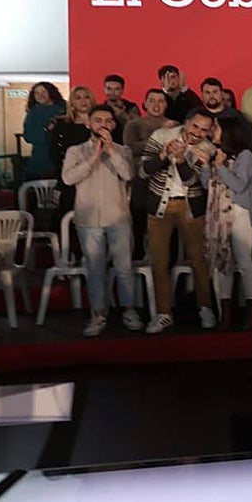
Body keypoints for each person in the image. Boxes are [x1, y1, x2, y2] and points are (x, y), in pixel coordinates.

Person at [61, 105, 143, 336]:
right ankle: (98, 314)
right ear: (89, 124)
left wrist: (111, 152)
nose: (103, 125)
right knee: (95, 269)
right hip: (88, 219)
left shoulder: (122, 151)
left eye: (108, 121)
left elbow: (128, 175)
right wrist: (95, 156)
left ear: (114, 125)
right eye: (98, 120)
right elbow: (68, 178)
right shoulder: (75, 151)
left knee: (124, 268)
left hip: (118, 217)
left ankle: (129, 310)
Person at [139, 108, 217, 333]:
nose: (198, 133)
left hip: (191, 206)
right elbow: (143, 171)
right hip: (160, 205)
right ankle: (163, 314)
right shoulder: (161, 136)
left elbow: (192, 180)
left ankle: (205, 307)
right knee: (160, 260)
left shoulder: (207, 148)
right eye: (195, 126)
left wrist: (182, 160)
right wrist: (164, 156)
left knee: (198, 258)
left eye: (204, 130)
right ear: (186, 122)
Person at [201, 116, 252, 330]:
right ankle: (226, 311)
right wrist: (206, 164)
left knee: (244, 261)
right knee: (223, 263)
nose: (212, 131)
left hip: (240, 212)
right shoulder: (214, 153)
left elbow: (239, 185)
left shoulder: (245, 156)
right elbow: (205, 183)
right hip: (218, 214)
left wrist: (222, 167)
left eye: (216, 127)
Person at [123, 89, 175, 260]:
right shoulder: (135, 124)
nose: (156, 104)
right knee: (139, 224)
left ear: (166, 104)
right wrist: (159, 134)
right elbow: (130, 148)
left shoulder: (175, 125)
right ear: (145, 104)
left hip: (168, 180)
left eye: (161, 101)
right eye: (152, 100)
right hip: (141, 180)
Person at [49, 85, 96, 216]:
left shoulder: (101, 124)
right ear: (72, 102)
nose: (83, 101)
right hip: (71, 177)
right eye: (78, 98)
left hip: (96, 178)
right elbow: (54, 153)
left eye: (87, 97)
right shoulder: (62, 125)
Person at [22, 82, 66, 178]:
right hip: (40, 157)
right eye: (37, 93)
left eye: (43, 92)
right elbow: (28, 136)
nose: (40, 95)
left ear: (51, 92)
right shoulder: (33, 112)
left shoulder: (64, 109)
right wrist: (46, 130)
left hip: (62, 156)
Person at [102, 74, 140, 139]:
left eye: (116, 89)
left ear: (122, 90)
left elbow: (137, 129)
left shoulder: (131, 107)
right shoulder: (100, 109)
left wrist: (123, 115)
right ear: (104, 89)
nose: (112, 92)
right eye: (109, 89)